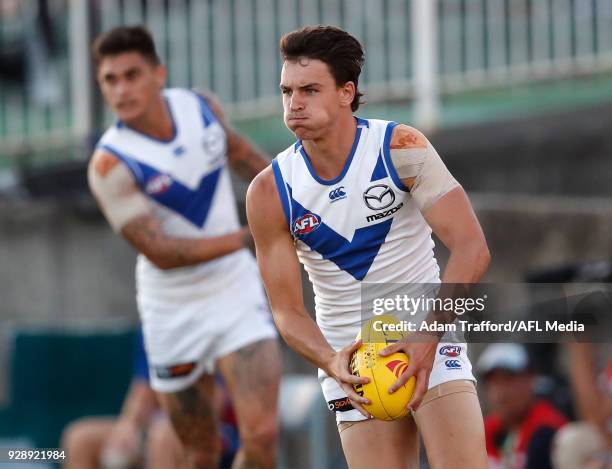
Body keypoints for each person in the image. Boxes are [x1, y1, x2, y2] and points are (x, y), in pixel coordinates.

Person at [246, 25, 490, 468]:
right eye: (287, 91)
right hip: (352, 367)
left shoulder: (399, 147)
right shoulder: (270, 191)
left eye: (310, 89)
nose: (294, 102)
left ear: (346, 92)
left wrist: (428, 336)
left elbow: (472, 249)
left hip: (429, 340)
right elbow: (286, 311)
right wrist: (330, 360)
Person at [88, 25, 280, 469]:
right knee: (198, 451)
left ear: (159, 74)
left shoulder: (201, 107)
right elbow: (163, 252)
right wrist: (248, 237)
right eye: (110, 80)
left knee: (263, 434)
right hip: (171, 307)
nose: (121, 89)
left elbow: (243, 156)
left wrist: (292, 197)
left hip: (234, 287)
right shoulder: (109, 162)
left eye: (132, 75)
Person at [61, 329, 240, 469]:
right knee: (79, 438)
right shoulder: (154, 315)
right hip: (157, 424)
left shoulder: (215, 316)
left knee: (162, 435)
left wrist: (166, 424)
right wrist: (128, 426)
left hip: (219, 428)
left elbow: (216, 401)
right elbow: (143, 387)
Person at [477, 343, 567, 469]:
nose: (500, 393)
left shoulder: (548, 430)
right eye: (493, 382)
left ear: (530, 379)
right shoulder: (485, 431)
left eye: (508, 379)